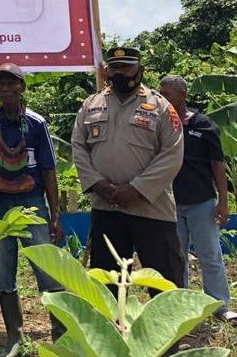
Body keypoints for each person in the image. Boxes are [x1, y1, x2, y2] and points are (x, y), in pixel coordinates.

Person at [71, 48, 185, 289]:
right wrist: (97, 184)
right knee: (108, 285)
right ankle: (112, 328)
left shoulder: (162, 107)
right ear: (106, 72)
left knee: (165, 285)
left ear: (140, 70)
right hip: (106, 208)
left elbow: (172, 155)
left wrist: (137, 189)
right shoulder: (90, 105)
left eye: (126, 67)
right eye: (115, 68)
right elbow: (78, 148)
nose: (120, 73)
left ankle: (170, 329)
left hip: (151, 210)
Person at [0, 63, 64, 353]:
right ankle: (15, 337)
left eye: (11, 84)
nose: (5, 90)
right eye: (0, 85)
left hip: (32, 203)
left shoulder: (36, 123)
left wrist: (54, 214)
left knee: (47, 267)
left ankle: (61, 334)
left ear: (22, 87)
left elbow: (48, 170)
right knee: (3, 270)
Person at [160, 75, 237, 322]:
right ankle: (182, 307)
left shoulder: (203, 125)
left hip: (201, 202)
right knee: (176, 257)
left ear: (182, 94)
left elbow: (217, 164)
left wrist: (223, 202)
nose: (164, 100)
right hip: (171, 203)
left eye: (168, 95)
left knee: (210, 255)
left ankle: (219, 306)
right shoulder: (162, 126)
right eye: (161, 95)